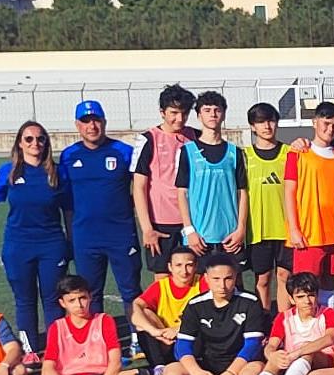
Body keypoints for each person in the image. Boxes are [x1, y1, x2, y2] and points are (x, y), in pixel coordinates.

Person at [0, 120, 70, 360]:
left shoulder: (57, 172)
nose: (35, 143)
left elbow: (69, 210)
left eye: (40, 138)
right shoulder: (8, 171)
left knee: (53, 299)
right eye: (29, 139)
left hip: (51, 244)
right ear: (20, 144)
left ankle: (56, 349)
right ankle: (30, 350)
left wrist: (70, 242)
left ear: (46, 143)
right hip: (18, 246)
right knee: (25, 299)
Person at [145, 254, 266, 375]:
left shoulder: (249, 302)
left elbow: (252, 345)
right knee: (173, 367)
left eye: (228, 279)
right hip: (207, 364)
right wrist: (195, 372)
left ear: (236, 277)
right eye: (216, 279)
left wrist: (230, 374)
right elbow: (182, 345)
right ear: (206, 279)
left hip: (239, 364)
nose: (222, 285)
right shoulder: (196, 305)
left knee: (256, 366)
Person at [18, 275, 148, 375]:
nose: (79, 305)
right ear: (62, 303)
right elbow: (47, 371)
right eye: (71, 300)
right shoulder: (57, 327)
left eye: (82, 298)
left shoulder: (104, 320)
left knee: (140, 373)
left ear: (90, 297)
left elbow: (115, 363)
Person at [61, 100, 142, 325]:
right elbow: (66, 201)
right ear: (77, 125)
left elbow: (140, 188)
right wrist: (71, 235)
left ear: (104, 122)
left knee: (131, 289)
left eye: (96, 120)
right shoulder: (68, 156)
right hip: (85, 237)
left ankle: (138, 338)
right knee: (89, 293)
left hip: (121, 235)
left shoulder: (123, 152)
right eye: (86, 121)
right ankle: (97, 340)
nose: (92, 126)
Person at [284, 102, 334, 307]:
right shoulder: (298, 153)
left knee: (329, 281)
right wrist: (294, 229)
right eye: (325, 123)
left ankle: (328, 321)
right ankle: (306, 327)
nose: (330, 129)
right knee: (306, 283)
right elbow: (289, 191)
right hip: (309, 233)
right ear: (315, 122)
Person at [245, 271, 334, 375]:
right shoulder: (284, 317)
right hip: (292, 361)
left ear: (317, 296)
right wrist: (272, 355)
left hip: (323, 361)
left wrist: (298, 352)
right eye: (300, 297)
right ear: (292, 299)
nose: (307, 301)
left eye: (311, 295)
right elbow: (271, 345)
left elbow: (329, 338)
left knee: (308, 352)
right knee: (276, 357)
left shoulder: (328, 313)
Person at [175, 91, 249, 266]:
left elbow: (242, 193)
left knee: (232, 286)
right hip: (199, 238)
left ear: (223, 114)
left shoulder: (234, 152)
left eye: (217, 110)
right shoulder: (188, 151)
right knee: (198, 287)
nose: (212, 114)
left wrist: (241, 229)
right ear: (199, 115)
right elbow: (182, 194)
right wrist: (189, 231)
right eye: (207, 110)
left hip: (230, 238)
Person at [131, 84, 197, 274]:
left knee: (194, 275)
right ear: (162, 112)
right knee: (163, 277)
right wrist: (147, 228)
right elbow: (139, 187)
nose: (180, 118)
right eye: (174, 112)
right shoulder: (148, 139)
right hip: (161, 223)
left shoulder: (194, 137)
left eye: (184, 113)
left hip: (192, 220)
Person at [242, 102, 291, 313]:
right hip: (258, 230)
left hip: (286, 228)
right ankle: (263, 323)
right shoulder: (245, 156)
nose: (267, 126)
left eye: (271, 121)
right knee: (262, 280)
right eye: (261, 122)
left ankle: (283, 322)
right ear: (253, 126)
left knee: (284, 277)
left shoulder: (290, 153)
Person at [130, 247, 206, 374]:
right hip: (166, 341)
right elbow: (136, 310)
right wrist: (155, 331)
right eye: (179, 265)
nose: (184, 271)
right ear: (170, 267)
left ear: (196, 266)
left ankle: (195, 364)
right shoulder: (161, 286)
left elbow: (209, 314)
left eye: (189, 265)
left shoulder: (203, 282)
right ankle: (159, 367)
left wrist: (177, 329)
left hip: (190, 340)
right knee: (144, 315)